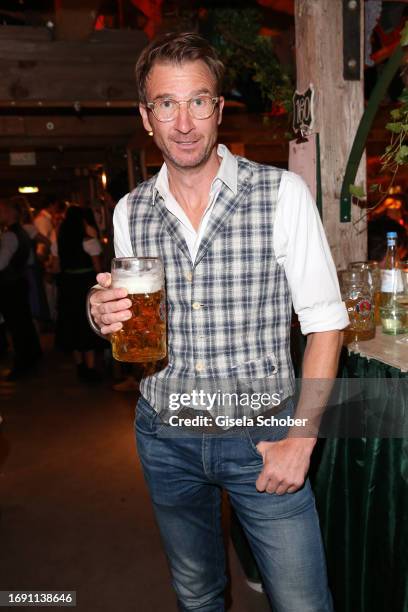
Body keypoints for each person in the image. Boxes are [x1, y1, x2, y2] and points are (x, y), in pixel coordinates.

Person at [89, 32, 349, 611]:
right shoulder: (130, 210)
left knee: (305, 602)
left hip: (262, 436)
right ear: (146, 116)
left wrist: (300, 441)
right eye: (166, 104)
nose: (184, 122)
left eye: (198, 101)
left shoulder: (282, 194)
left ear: (219, 109)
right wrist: (99, 312)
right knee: (196, 593)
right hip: (166, 435)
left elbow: (327, 325)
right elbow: (129, 317)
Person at [54, 206, 105, 383]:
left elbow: (56, 266)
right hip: (85, 285)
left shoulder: (59, 241)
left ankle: (79, 365)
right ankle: (90, 368)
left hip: (68, 284)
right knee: (85, 325)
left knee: (71, 323)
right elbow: (98, 268)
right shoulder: (89, 241)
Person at [0, 199, 42, 380]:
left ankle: (22, 364)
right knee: (23, 323)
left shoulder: (10, 235)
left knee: (17, 326)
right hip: (18, 282)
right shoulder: (22, 232)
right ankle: (31, 357)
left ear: (10, 213)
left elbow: (0, 263)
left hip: (10, 285)